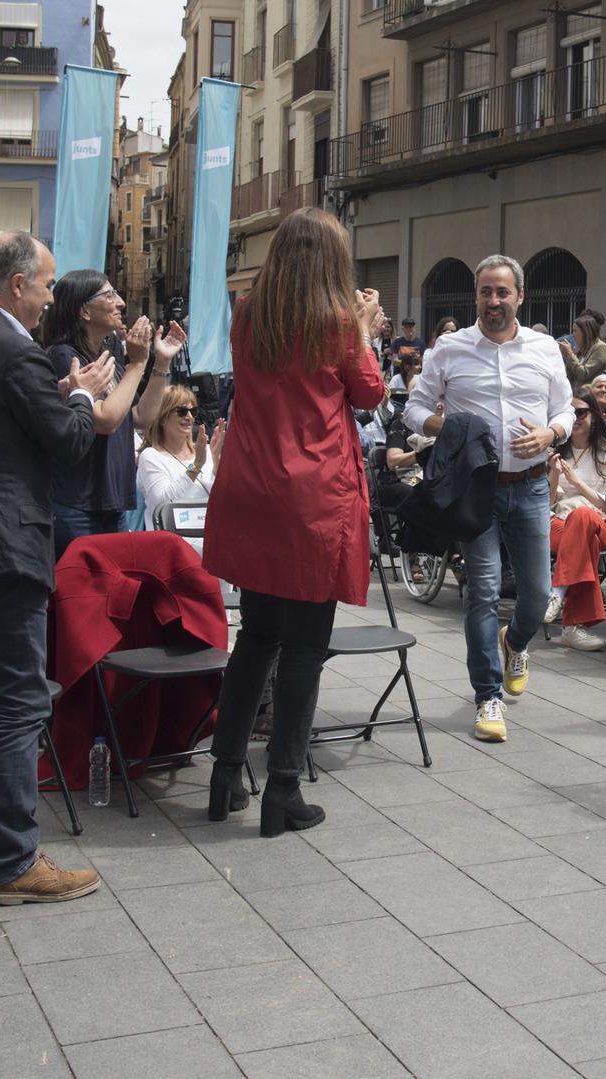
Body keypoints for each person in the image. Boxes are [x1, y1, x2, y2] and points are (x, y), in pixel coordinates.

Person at [0, 232, 111, 906]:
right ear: (17, 284)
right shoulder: (17, 351)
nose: (50, 298)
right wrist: (83, 397)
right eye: (45, 284)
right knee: (18, 703)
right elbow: (67, 446)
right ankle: (14, 860)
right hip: (10, 546)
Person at [202, 208, 385, 835]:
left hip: (254, 489)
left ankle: (225, 774)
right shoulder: (338, 324)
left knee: (255, 637)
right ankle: (283, 787)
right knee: (305, 647)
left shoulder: (250, 313)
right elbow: (369, 395)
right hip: (312, 497)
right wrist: (363, 330)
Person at [404, 255, 572, 741]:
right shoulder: (450, 350)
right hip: (476, 491)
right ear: (475, 296)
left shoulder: (544, 349)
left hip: (533, 485)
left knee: (538, 593)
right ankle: (488, 697)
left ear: (520, 296)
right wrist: (450, 426)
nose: (494, 301)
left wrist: (550, 434)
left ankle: (515, 640)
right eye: (485, 292)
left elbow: (564, 408)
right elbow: (414, 410)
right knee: (481, 591)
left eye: (503, 292)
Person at [37, 270, 176, 555]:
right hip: (76, 504)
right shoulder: (64, 356)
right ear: (84, 311)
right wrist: (137, 365)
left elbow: (140, 416)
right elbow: (104, 420)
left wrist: (160, 361)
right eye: (109, 295)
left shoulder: (106, 356)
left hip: (109, 503)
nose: (121, 303)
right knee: (80, 594)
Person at [549, 392, 606, 652]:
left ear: (594, 416)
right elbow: (546, 505)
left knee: (584, 517)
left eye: (581, 412)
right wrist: (553, 476)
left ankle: (557, 593)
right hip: (559, 521)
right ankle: (573, 627)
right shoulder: (555, 452)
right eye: (570, 413)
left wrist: (577, 484)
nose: (575, 418)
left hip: (601, 522)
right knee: (585, 539)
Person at [135, 383, 224, 533]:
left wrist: (217, 463)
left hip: (209, 541)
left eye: (193, 411)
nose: (189, 417)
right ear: (163, 417)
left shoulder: (206, 451)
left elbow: (222, 499)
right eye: (182, 411)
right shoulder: (151, 456)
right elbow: (163, 503)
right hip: (173, 546)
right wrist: (195, 467)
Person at [559, 310, 606, 387]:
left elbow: (583, 374)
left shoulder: (601, 347)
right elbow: (571, 376)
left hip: (591, 395)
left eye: (575, 331)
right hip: (578, 394)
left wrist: (570, 355)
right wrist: (567, 355)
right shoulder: (583, 349)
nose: (573, 335)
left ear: (585, 332)